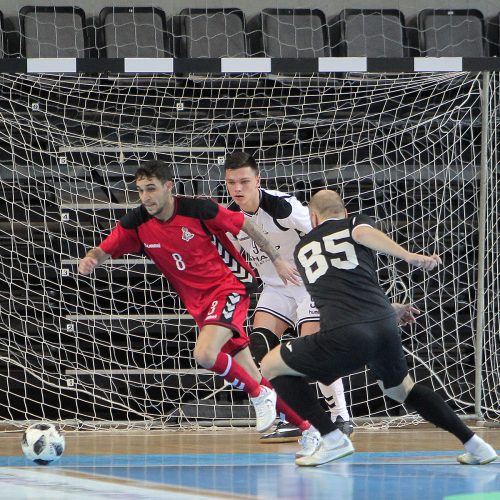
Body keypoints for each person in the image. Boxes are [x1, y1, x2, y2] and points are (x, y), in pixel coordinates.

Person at [78, 159, 313, 442]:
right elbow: (105, 248)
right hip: (199, 305)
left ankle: (257, 395)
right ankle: (310, 428)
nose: (145, 197)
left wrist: (275, 258)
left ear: (168, 187)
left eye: (151, 189)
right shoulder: (137, 223)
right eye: (140, 190)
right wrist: (92, 258)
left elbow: (245, 226)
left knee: (204, 354)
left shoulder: (199, 209)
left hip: (230, 288)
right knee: (252, 370)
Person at [260, 189, 498, 467]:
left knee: (271, 365)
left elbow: (351, 256)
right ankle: (476, 445)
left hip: (345, 333)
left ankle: (332, 439)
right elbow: (358, 263)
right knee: (402, 390)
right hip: (384, 325)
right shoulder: (355, 222)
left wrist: (409, 256)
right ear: (345, 212)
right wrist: (391, 302)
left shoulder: (303, 249)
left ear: (312, 217)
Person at [224, 151, 353, 443]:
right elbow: (233, 257)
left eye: (244, 181)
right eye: (232, 183)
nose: (238, 189)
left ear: (258, 180)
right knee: (261, 347)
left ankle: (340, 416)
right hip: (276, 287)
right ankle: (299, 417)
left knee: (314, 351)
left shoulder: (284, 208)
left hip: (310, 284)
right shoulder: (231, 218)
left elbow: (325, 231)